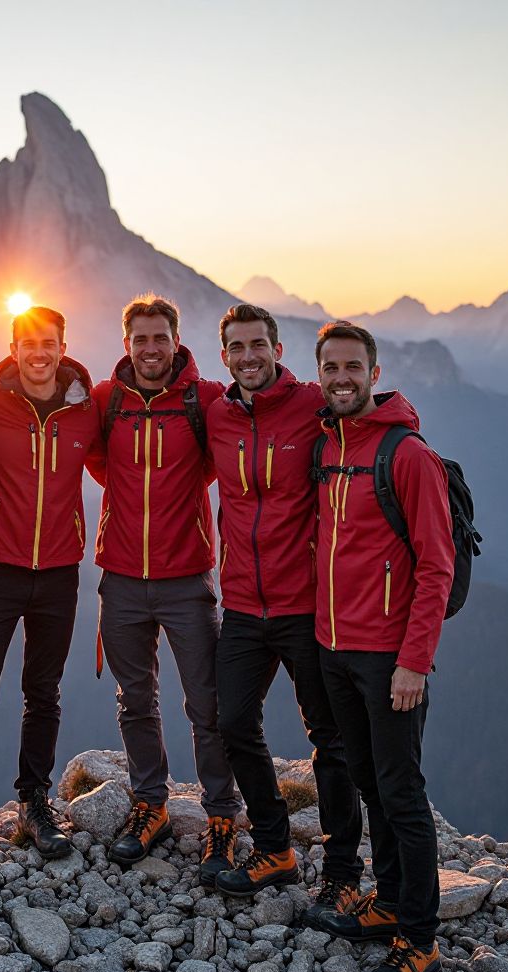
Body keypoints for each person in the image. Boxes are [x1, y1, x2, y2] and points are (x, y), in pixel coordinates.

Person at [206, 303, 364, 909]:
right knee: (234, 723)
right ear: (224, 357)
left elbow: (369, 424)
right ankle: (275, 846)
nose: (249, 357)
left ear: (277, 349)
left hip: (305, 608)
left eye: (258, 346)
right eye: (237, 348)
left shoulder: (313, 408)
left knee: (330, 738)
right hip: (244, 605)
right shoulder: (215, 414)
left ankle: (344, 871)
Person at [310, 320, 453, 972]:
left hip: (388, 658)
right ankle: (390, 899)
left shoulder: (406, 454)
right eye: (330, 368)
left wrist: (414, 661)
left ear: (373, 371)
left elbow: (436, 567)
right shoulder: (329, 446)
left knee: (401, 793)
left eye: (351, 367)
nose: (341, 378)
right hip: (334, 648)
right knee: (368, 781)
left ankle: (420, 937)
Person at [93, 293, 241, 882]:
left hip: (186, 579)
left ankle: (223, 815)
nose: (150, 349)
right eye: (139, 339)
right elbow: (99, 463)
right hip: (122, 577)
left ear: (176, 342)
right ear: (126, 344)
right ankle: (150, 804)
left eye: (160, 338)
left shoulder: (203, 401)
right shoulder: (107, 402)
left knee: (206, 703)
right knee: (136, 702)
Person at [0, 305, 103, 858]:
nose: (39, 353)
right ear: (13, 349)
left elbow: (120, 470)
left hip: (60, 571)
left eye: (50, 343)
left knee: (44, 693)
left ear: (64, 348)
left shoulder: (86, 410)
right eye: (28, 343)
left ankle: (34, 802)